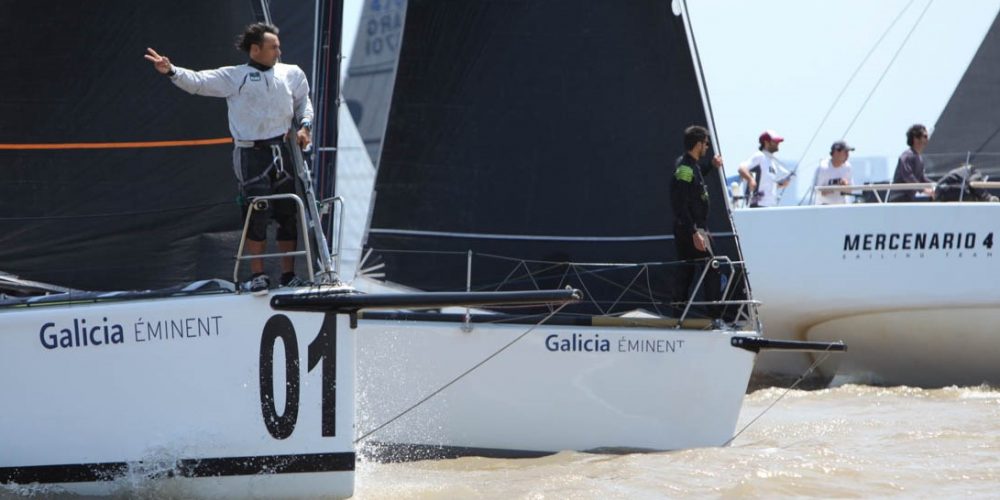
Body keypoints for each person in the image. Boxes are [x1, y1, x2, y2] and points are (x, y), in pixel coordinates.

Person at [145, 23, 313, 294]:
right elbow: (199, 82)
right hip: (250, 154)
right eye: (273, 47)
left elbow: (303, 102)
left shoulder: (291, 73)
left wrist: (305, 126)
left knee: (288, 213)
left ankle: (289, 275)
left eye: (279, 46)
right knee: (257, 212)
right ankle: (258, 275)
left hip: (281, 152)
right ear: (255, 49)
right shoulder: (236, 76)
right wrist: (172, 71)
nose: (279, 51)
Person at [670, 125, 724, 321]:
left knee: (687, 270)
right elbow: (680, 203)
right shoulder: (685, 168)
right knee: (713, 266)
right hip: (693, 229)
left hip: (694, 227)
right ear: (698, 144)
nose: (707, 147)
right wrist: (694, 232)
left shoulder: (691, 165)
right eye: (706, 143)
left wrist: (712, 165)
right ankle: (714, 317)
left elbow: (697, 176)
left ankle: (679, 316)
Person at [738, 130, 791, 207]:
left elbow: (766, 184)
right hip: (756, 204)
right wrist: (750, 179)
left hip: (769, 205)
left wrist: (780, 185)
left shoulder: (772, 161)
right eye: (775, 141)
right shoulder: (760, 156)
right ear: (766, 142)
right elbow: (741, 168)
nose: (778, 143)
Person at [890, 124, 934, 202]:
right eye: (925, 136)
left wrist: (937, 185)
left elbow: (921, 178)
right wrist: (924, 190)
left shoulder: (918, 158)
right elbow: (908, 176)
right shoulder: (907, 156)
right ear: (916, 138)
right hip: (900, 198)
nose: (928, 139)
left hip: (909, 197)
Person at [813, 140, 855, 205]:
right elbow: (816, 190)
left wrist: (845, 186)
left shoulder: (848, 167)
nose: (847, 155)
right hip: (824, 205)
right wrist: (834, 187)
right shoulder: (823, 167)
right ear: (836, 152)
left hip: (842, 206)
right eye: (845, 152)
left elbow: (851, 190)